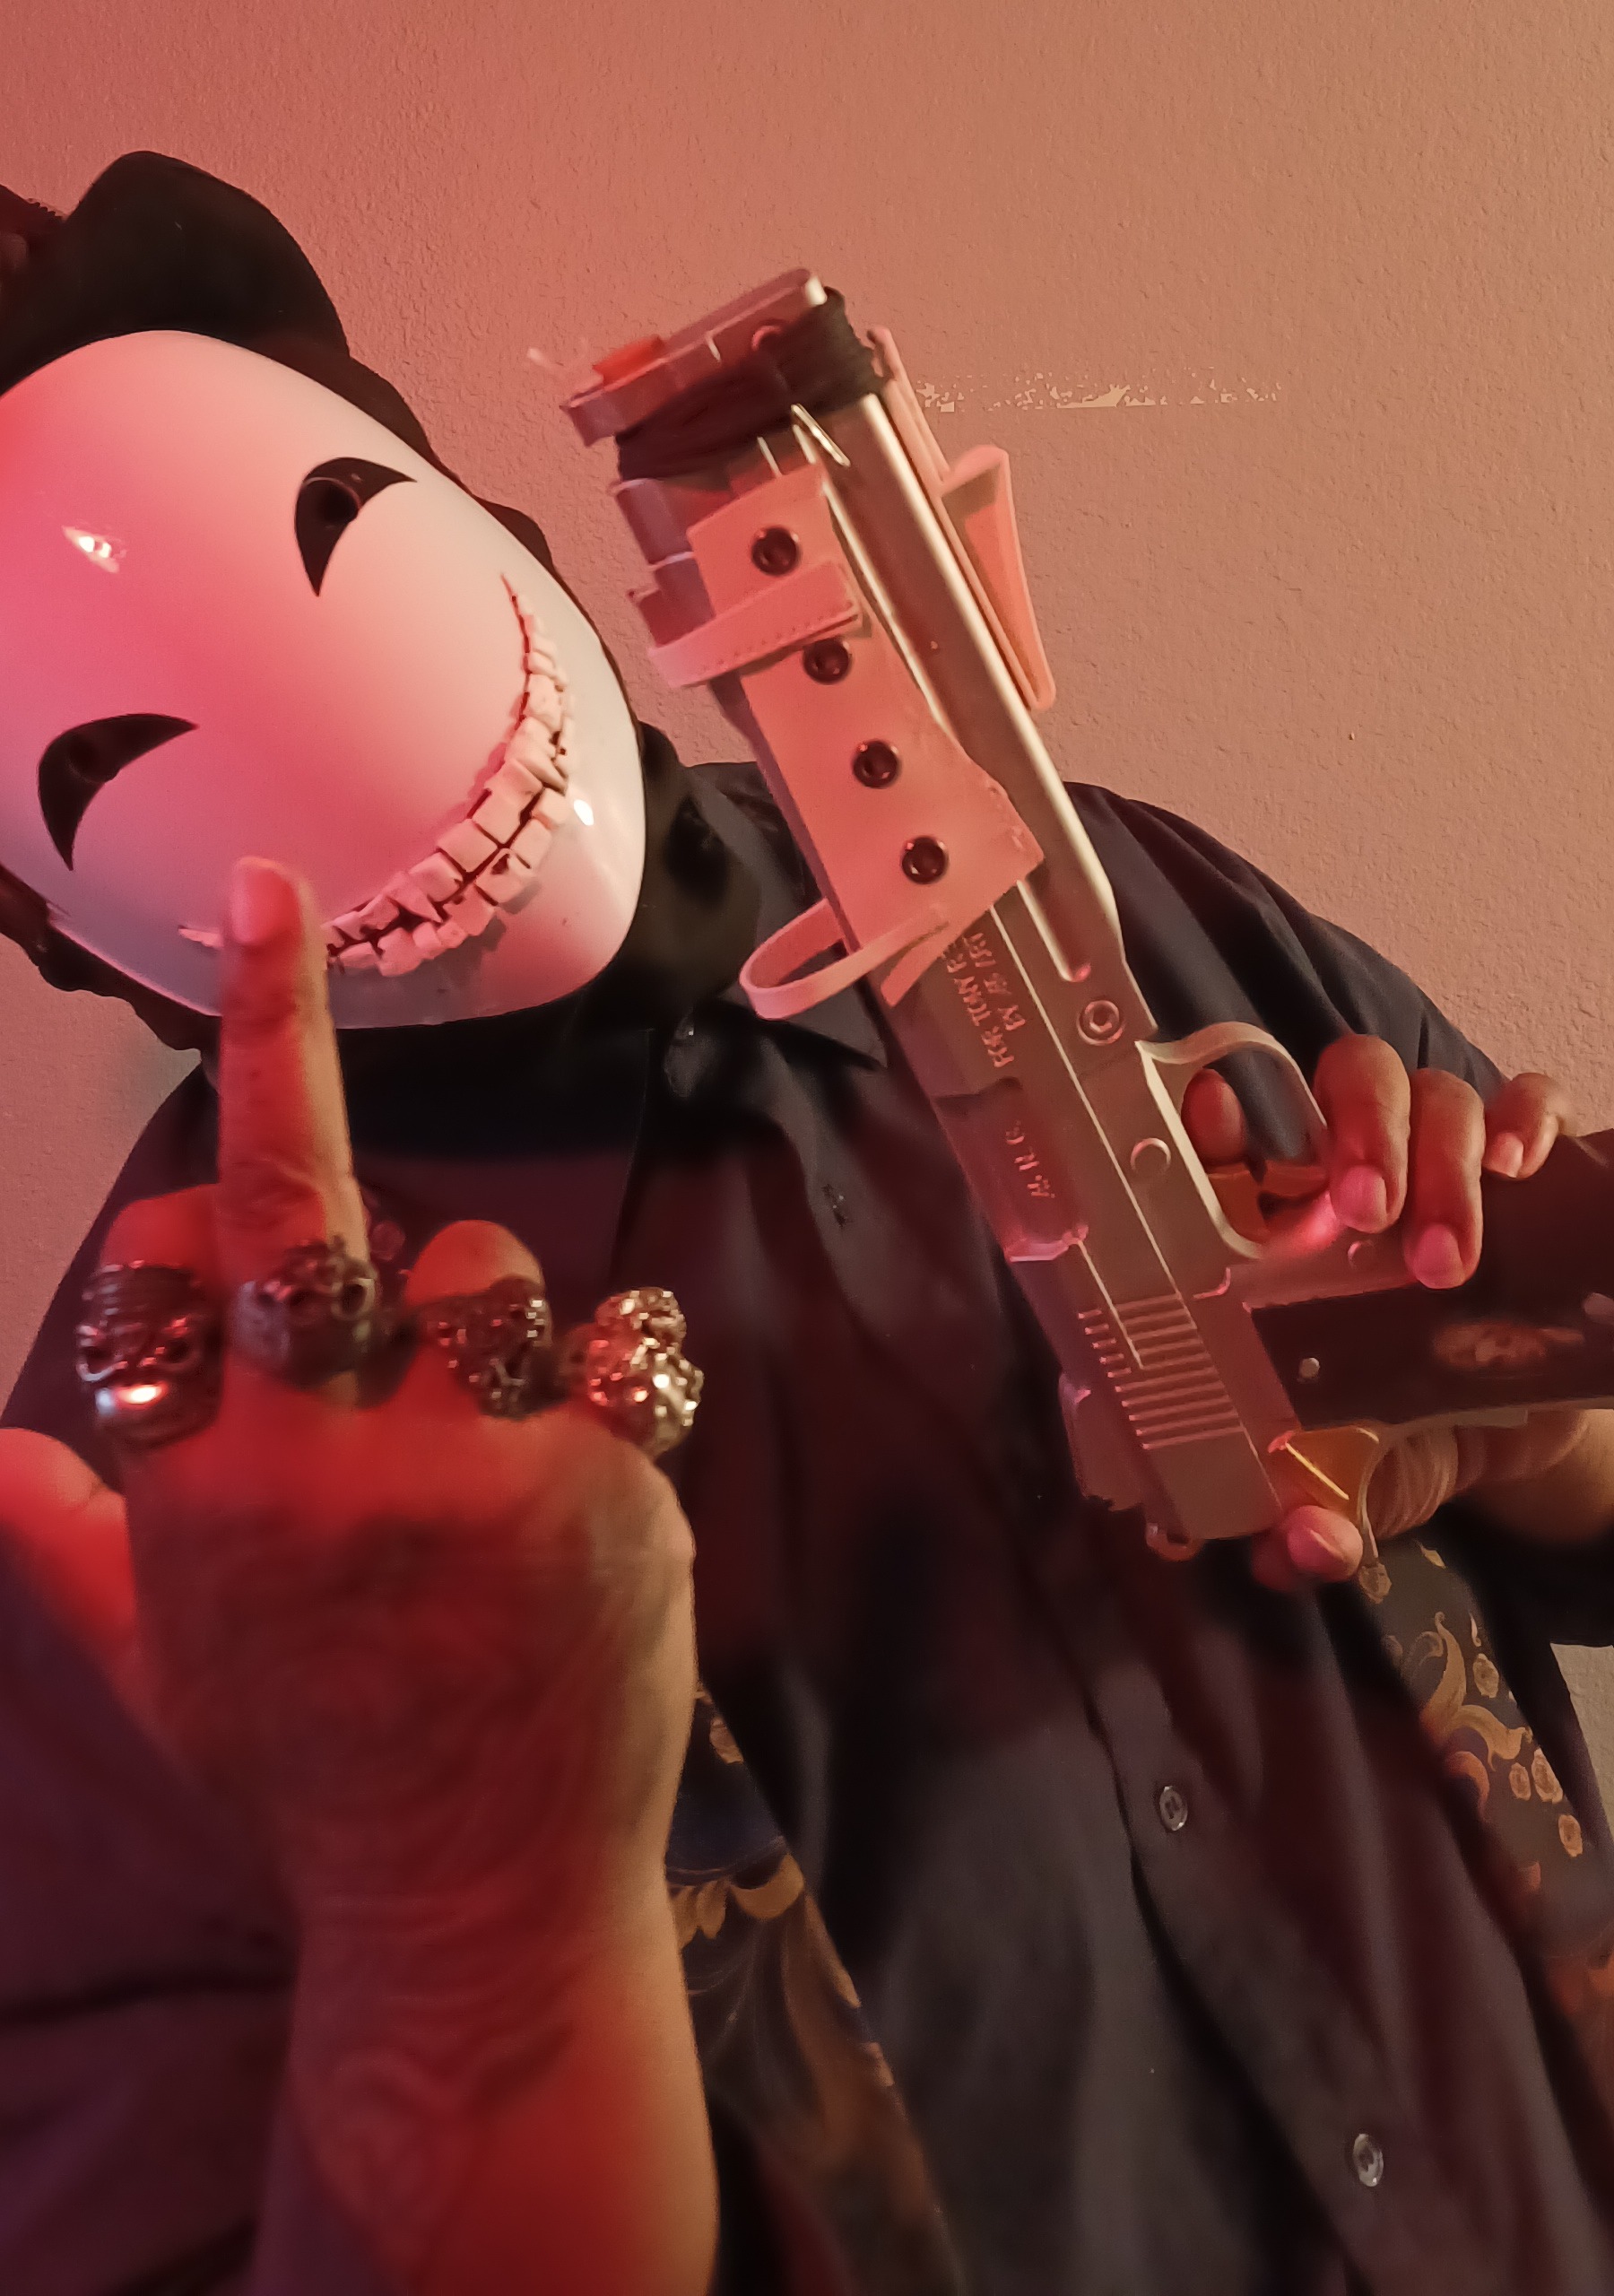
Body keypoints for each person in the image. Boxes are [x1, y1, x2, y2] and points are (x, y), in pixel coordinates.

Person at [2, 153, 1614, 2296]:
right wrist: (461, 1927)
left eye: (323, 534)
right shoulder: (131, 1530)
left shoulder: (1132, 909)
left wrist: (1532, 1415)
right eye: (122, 739)